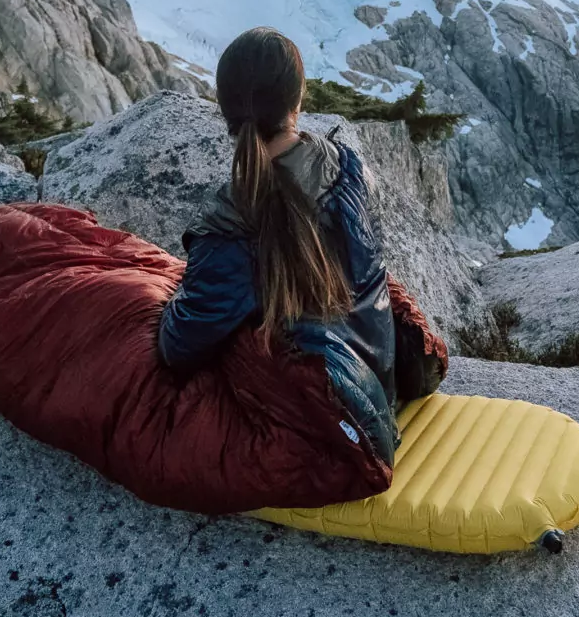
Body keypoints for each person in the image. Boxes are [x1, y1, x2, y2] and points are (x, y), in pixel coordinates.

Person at [157, 26, 433, 466]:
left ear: (225, 111)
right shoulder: (347, 170)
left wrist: (170, 294)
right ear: (297, 102)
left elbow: (178, 347)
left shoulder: (230, 226)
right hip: (379, 378)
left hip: (330, 413)